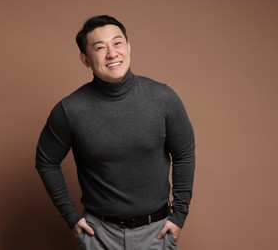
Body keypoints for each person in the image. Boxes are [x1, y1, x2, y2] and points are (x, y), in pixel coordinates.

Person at [35, 15, 195, 249]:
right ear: (85, 59)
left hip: (157, 233)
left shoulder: (163, 98)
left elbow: (184, 154)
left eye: (117, 43)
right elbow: (46, 161)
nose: (112, 53)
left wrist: (179, 214)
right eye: (100, 47)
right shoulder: (70, 110)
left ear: (128, 46)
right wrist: (71, 216)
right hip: (98, 235)